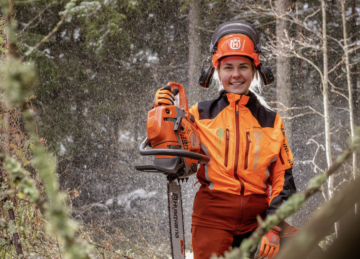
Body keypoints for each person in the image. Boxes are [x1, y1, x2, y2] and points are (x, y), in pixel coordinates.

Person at [155, 21, 297, 259]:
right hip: (212, 219)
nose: (235, 74)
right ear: (216, 72)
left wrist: (273, 226)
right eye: (228, 67)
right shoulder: (199, 114)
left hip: (259, 220)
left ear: (255, 71)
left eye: (243, 66)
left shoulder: (271, 121)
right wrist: (161, 113)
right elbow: (168, 151)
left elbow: (284, 180)